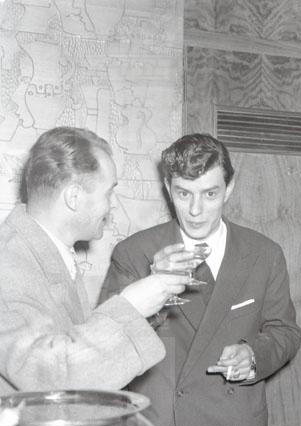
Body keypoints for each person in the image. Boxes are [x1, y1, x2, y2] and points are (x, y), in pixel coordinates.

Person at [100, 133, 301, 426]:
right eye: (184, 193)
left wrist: (253, 356)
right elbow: (108, 348)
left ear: (229, 189)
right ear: (168, 188)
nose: (196, 210)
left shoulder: (264, 253)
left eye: (210, 194)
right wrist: (154, 287)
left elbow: (285, 331)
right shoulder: (134, 253)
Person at [0, 126, 189, 395]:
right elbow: (51, 377)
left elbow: (73, 345)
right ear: (74, 197)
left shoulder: (41, 251)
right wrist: (130, 308)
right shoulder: (7, 266)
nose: (112, 205)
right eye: (108, 192)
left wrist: (149, 301)